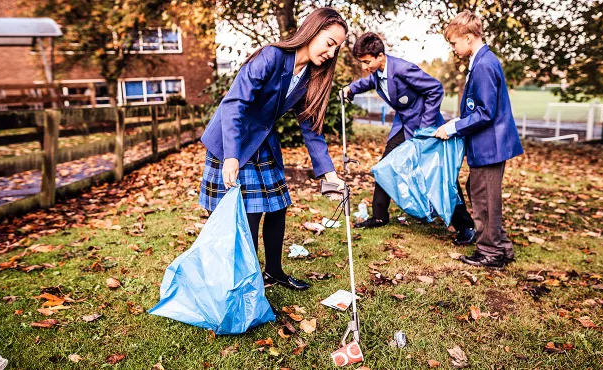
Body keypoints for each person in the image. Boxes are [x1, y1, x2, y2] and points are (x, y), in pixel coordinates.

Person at [199, 8, 347, 290]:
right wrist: (231, 156)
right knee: (250, 215)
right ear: (312, 31)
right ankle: (247, 284)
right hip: (232, 138)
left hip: (262, 140)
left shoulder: (309, 77)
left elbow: (311, 128)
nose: (331, 52)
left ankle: (275, 272)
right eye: (329, 42)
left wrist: (328, 173)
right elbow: (234, 105)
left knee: (278, 207)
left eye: (336, 48)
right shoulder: (271, 56)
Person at [342, 32, 476, 245]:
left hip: (426, 129)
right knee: (385, 166)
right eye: (362, 63)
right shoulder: (378, 72)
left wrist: (424, 128)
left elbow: (435, 89)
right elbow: (370, 82)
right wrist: (351, 88)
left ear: (380, 56)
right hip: (403, 126)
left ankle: (465, 226)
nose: (364, 67)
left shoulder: (403, 69)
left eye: (367, 62)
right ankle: (379, 216)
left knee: (440, 174)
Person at [434, 10, 524, 270]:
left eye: (454, 43)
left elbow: (485, 112)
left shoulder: (484, 64)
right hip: (487, 145)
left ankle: (490, 253)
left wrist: (454, 127)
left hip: (489, 146)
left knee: (484, 198)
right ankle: (501, 247)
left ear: (469, 37)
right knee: (480, 192)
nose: (453, 48)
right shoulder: (482, 60)